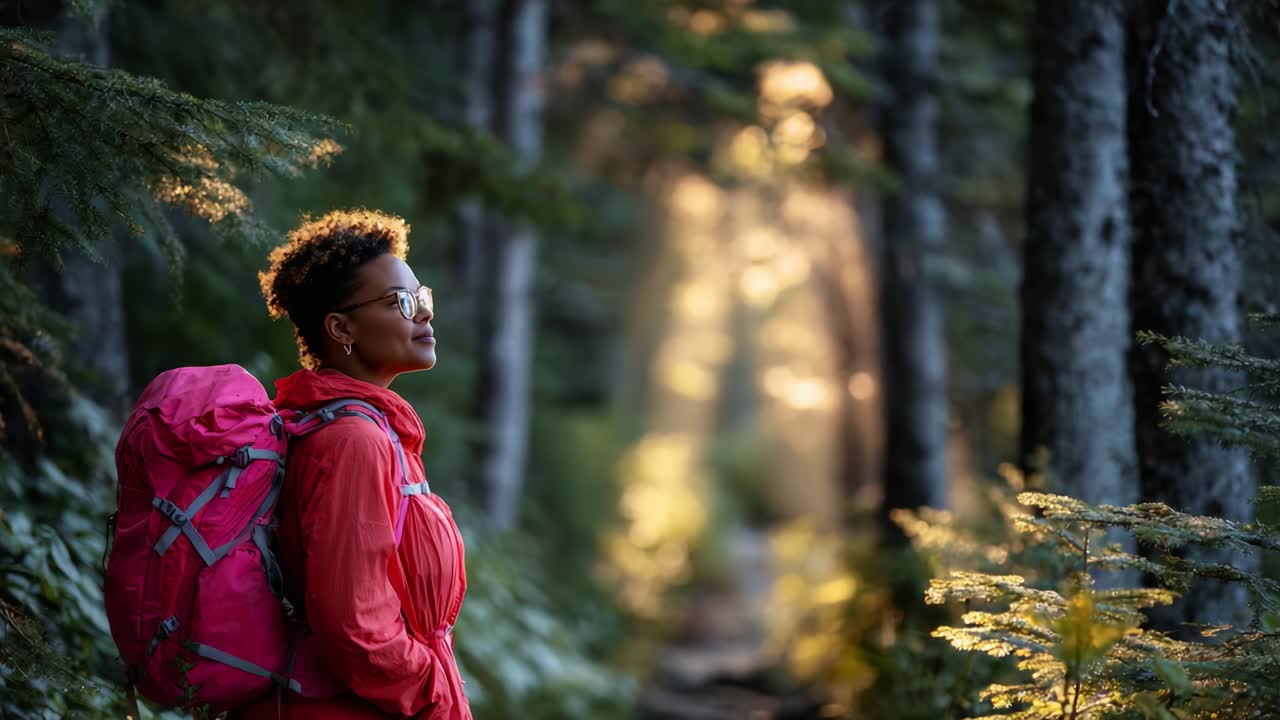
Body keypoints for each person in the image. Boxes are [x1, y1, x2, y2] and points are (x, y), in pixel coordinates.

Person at [232, 209, 471, 720]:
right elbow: (355, 628)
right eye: (399, 302)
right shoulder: (353, 442)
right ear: (341, 327)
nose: (422, 315)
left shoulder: (364, 428)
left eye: (421, 298)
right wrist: (434, 696)